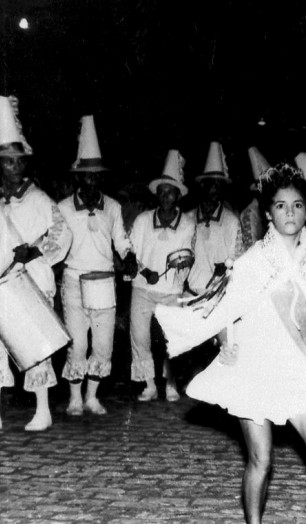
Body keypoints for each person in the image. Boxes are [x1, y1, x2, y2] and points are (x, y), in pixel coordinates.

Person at [155, 163, 306, 524]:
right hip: (257, 366)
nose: (289, 213)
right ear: (268, 212)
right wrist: (225, 341)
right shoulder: (251, 261)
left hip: (298, 367)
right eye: (281, 206)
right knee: (260, 460)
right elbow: (222, 310)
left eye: (297, 205)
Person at [0, 95, 72, 431]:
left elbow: (62, 232)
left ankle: (43, 410)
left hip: (31, 280)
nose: (14, 168)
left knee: (35, 344)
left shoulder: (39, 199)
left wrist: (36, 251)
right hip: (2, 282)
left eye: (19, 162)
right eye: (7, 162)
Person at [58, 115, 135, 416]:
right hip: (74, 281)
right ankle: (75, 398)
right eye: (86, 176)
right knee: (77, 343)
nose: (91, 181)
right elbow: (55, 243)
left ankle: (92, 396)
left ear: (101, 179)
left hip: (104, 282)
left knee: (103, 344)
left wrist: (128, 256)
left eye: (96, 177)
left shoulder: (113, 207)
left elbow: (121, 239)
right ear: (78, 178)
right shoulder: (63, 208)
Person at [129, 149, 195, 402]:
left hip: (171, 292)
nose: (166, 196)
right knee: (140, 337)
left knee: (171, 339)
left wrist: (183, 264)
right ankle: (148, 384)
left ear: (178, 195)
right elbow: (132, 252)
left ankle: (170, 383)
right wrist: (145, 271)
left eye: (171, 192)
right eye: (162, 191)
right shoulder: (143, 220)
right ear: (156, 194)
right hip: (143, 289)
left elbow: (187, 255)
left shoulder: (187, 224)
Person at [187, 141, 243, 295]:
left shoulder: (231, 221)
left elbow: (238, 256)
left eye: (220, 185)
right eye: (212, 184)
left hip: (219, 294)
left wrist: (227, 266)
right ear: (203, 185)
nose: (216, 189)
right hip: (189, 293)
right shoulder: (188, 218)